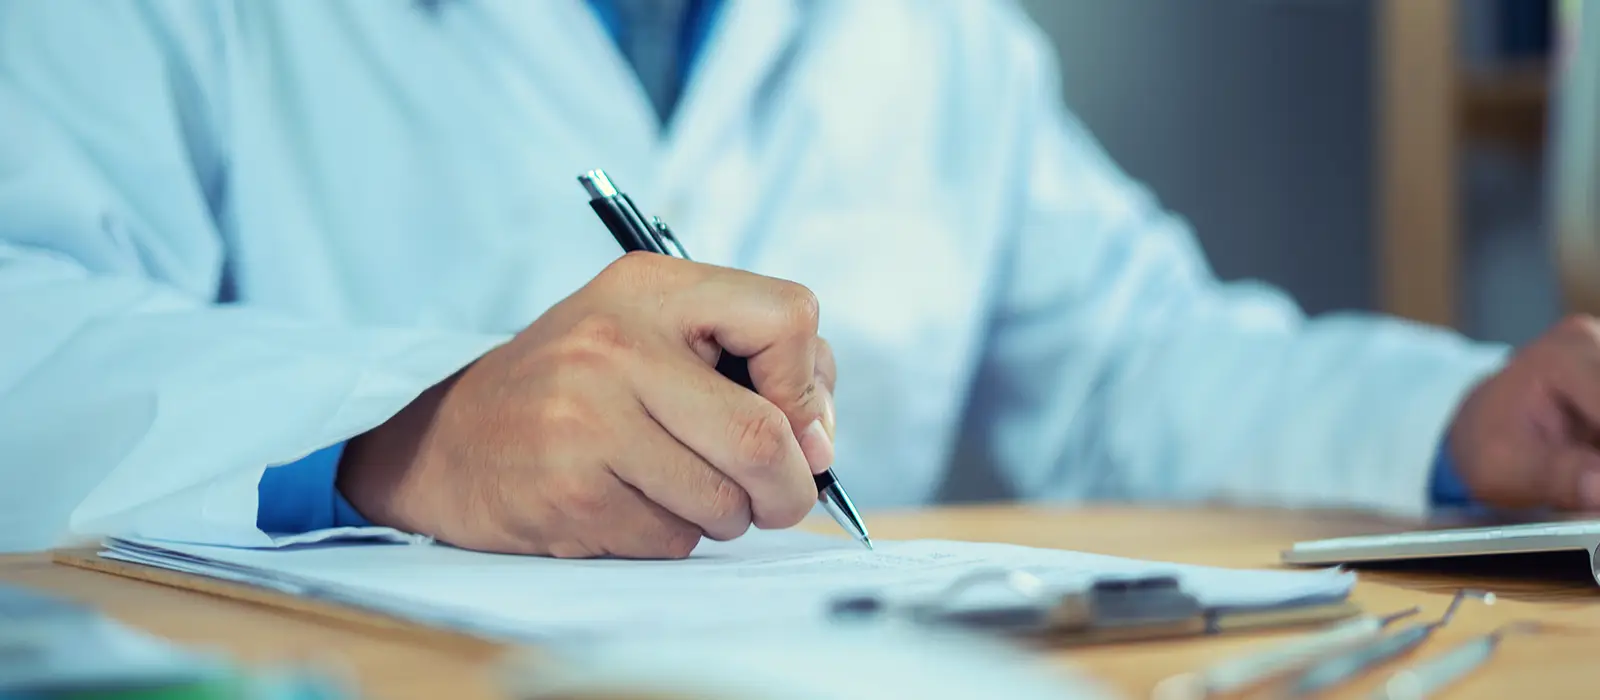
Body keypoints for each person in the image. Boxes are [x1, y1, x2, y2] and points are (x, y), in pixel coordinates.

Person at [2, 0, 1597, 557]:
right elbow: (27, 326)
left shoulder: (930, 30)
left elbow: (1130, 360)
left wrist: (1460, 420)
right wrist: (407, 435)